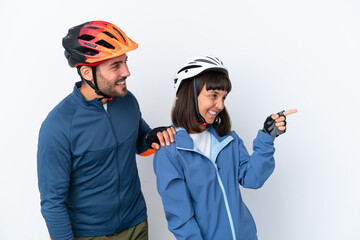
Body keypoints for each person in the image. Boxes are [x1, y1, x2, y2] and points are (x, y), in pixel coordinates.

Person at [37, 20, 175, 240]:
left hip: (136, 225)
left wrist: (151, 137)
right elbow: (52, 202)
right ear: (87, 72)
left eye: (125, 62)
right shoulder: (58, 126)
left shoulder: (128, 102)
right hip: (90, 234)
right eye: (115, 66)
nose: (127, 72)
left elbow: (139, 141)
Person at [153, 56, 297, 240]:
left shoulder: (228, 140)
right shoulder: (170, 151)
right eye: (213, 95)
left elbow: (252, 179)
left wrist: (267, 137)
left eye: (223, 97)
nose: (220, 105)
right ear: (190, 95)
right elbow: (180, 219)